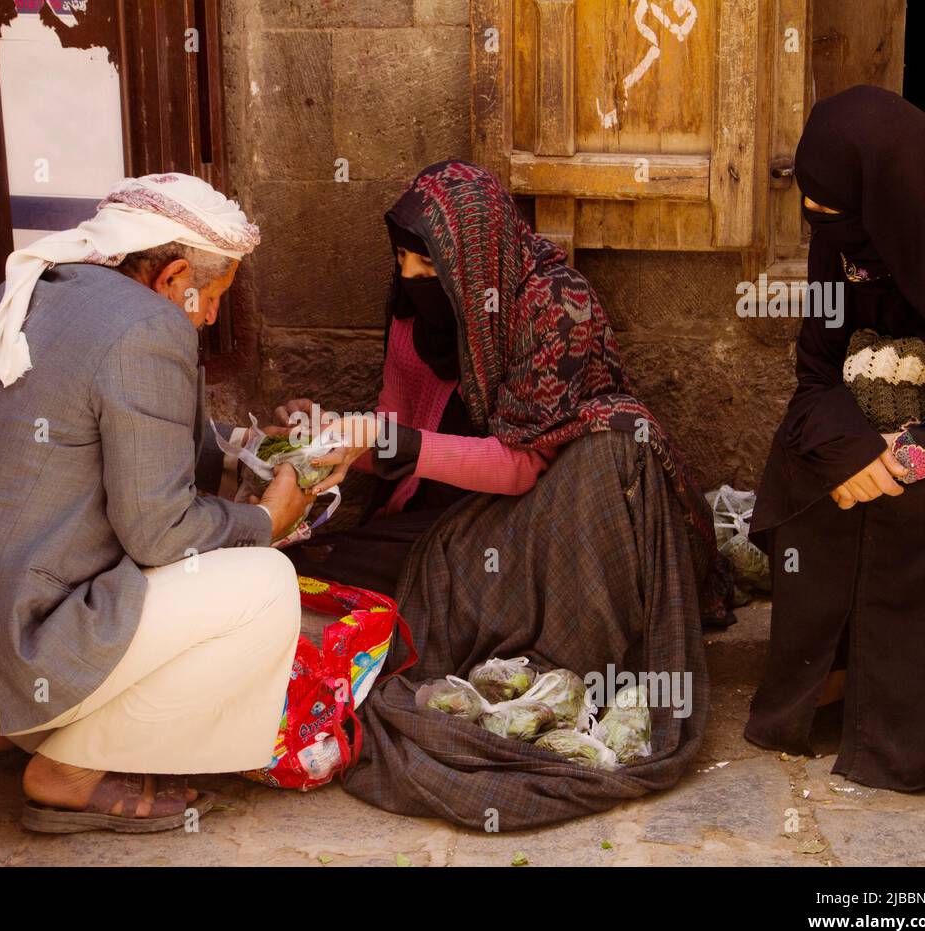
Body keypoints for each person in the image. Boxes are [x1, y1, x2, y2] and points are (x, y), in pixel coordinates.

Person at [276, 160, 732, 829]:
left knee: (603, 460)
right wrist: (339, 442)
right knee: (310, 570)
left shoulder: (554, 307)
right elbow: (396, 421)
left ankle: (546, 651)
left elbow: (520, 468)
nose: (408, 277)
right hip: (436, 512)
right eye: (401, 259)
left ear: (471, 260)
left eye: (425, 265)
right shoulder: (410, 311)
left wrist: (403, 444)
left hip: (539, 509)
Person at [0, 174, 312, 834]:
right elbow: (160, 533)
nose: (206, 317)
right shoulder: (146, 326)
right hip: (2, 655)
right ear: (174, 275)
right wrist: (266, 520)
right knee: (264, 585)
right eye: (211, 298)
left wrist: (250, 448)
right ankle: (69, 772)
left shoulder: (37, 285)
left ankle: (0, 735)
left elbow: (105, 427)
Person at [745, 86, 925, 832]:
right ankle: (837, 675)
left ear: (891, 197)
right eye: (817, 215)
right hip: (881, 425)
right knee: (804, 458)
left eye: (839, 215)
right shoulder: (843, 240)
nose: (827, 233)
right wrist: (857, 450)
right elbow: (816, 371)